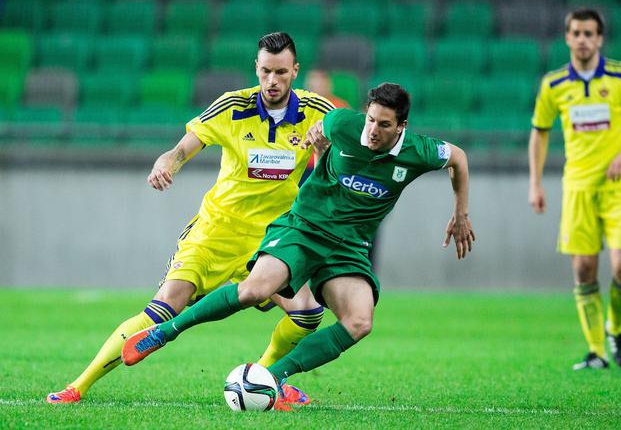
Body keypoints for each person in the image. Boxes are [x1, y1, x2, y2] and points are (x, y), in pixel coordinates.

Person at [121, 83, 475, 410]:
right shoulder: (340, 124)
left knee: (359, 321)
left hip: (349, 246)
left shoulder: (419, 151)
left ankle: (273, 377)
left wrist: (460, 213)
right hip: (305, 227)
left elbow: (458, 157)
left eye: (383, 124)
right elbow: (322, 145)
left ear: (402, 126)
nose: (372, 130)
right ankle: (164, 332)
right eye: (370, 120)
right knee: (252, 290)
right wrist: (320, 146)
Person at [46, 32, 335, 404]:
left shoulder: (320, 112)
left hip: (272, 239)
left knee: (308, 315)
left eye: (281, 72)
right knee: (165, 305)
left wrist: (326, 150)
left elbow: (348, 160)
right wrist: (167, 161)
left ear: (295, 70)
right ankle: (77, 387)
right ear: (256, 68)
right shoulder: (233, 106)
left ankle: (265, 378)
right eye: (265, 71)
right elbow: (183, 148)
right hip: (216, 231)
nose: (272, 81)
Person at [529, 8, 621, 370]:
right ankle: (596, 351)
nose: (583, 39)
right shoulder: (553, 85)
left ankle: (615, 328)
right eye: (576, 33)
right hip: (579, 186)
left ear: (600, 38)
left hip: (620, 185)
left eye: (589, 33)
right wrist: (536, 183)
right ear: (567, 38)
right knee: (584, 270)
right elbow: (539, 133)